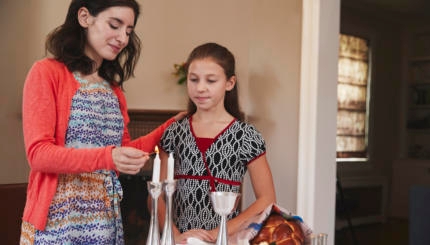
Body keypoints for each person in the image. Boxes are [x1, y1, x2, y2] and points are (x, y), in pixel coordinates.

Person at [20, 0, 185, 244]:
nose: (123, 38)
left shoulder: (113, 89)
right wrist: (109, 157)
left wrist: (168, 127)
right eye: (115, 25)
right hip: (57, 221)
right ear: (85, 17)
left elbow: (123, 155)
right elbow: (39, 154)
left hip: (105, 220)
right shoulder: (46, 72)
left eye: (128, 31)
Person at [158, 42, 277, 243]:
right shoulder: (173, 132)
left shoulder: (246, 136)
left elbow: (267, 199)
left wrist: (218, 233)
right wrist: (175, 236)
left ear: (229, 83)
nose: (200, 88)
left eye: (211, 80)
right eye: (193, 79)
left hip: (224, 240)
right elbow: (157, 197)